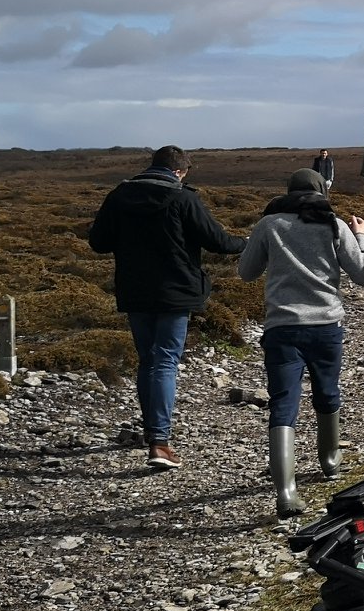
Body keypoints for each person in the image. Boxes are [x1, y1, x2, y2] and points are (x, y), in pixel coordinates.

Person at [87, 145, 247, 470]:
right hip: (176, 292)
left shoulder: (120, 196)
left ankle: (153, 436)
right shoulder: (183, 198)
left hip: (135, 291)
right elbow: (217, 241)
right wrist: (249, 242)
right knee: (165, 362)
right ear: (179, 171)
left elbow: (98, 242)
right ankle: (159, 443)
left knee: (148, 361)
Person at [237, 168, 364, 517]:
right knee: (327, 394)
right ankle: (331, 461)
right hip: (326, 325)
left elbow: (245, 273)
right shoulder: (334, 225)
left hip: (281, 328)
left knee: (283, 404)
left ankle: (286, 492)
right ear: (319, 191)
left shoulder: (269, 225)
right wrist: (361, 238)